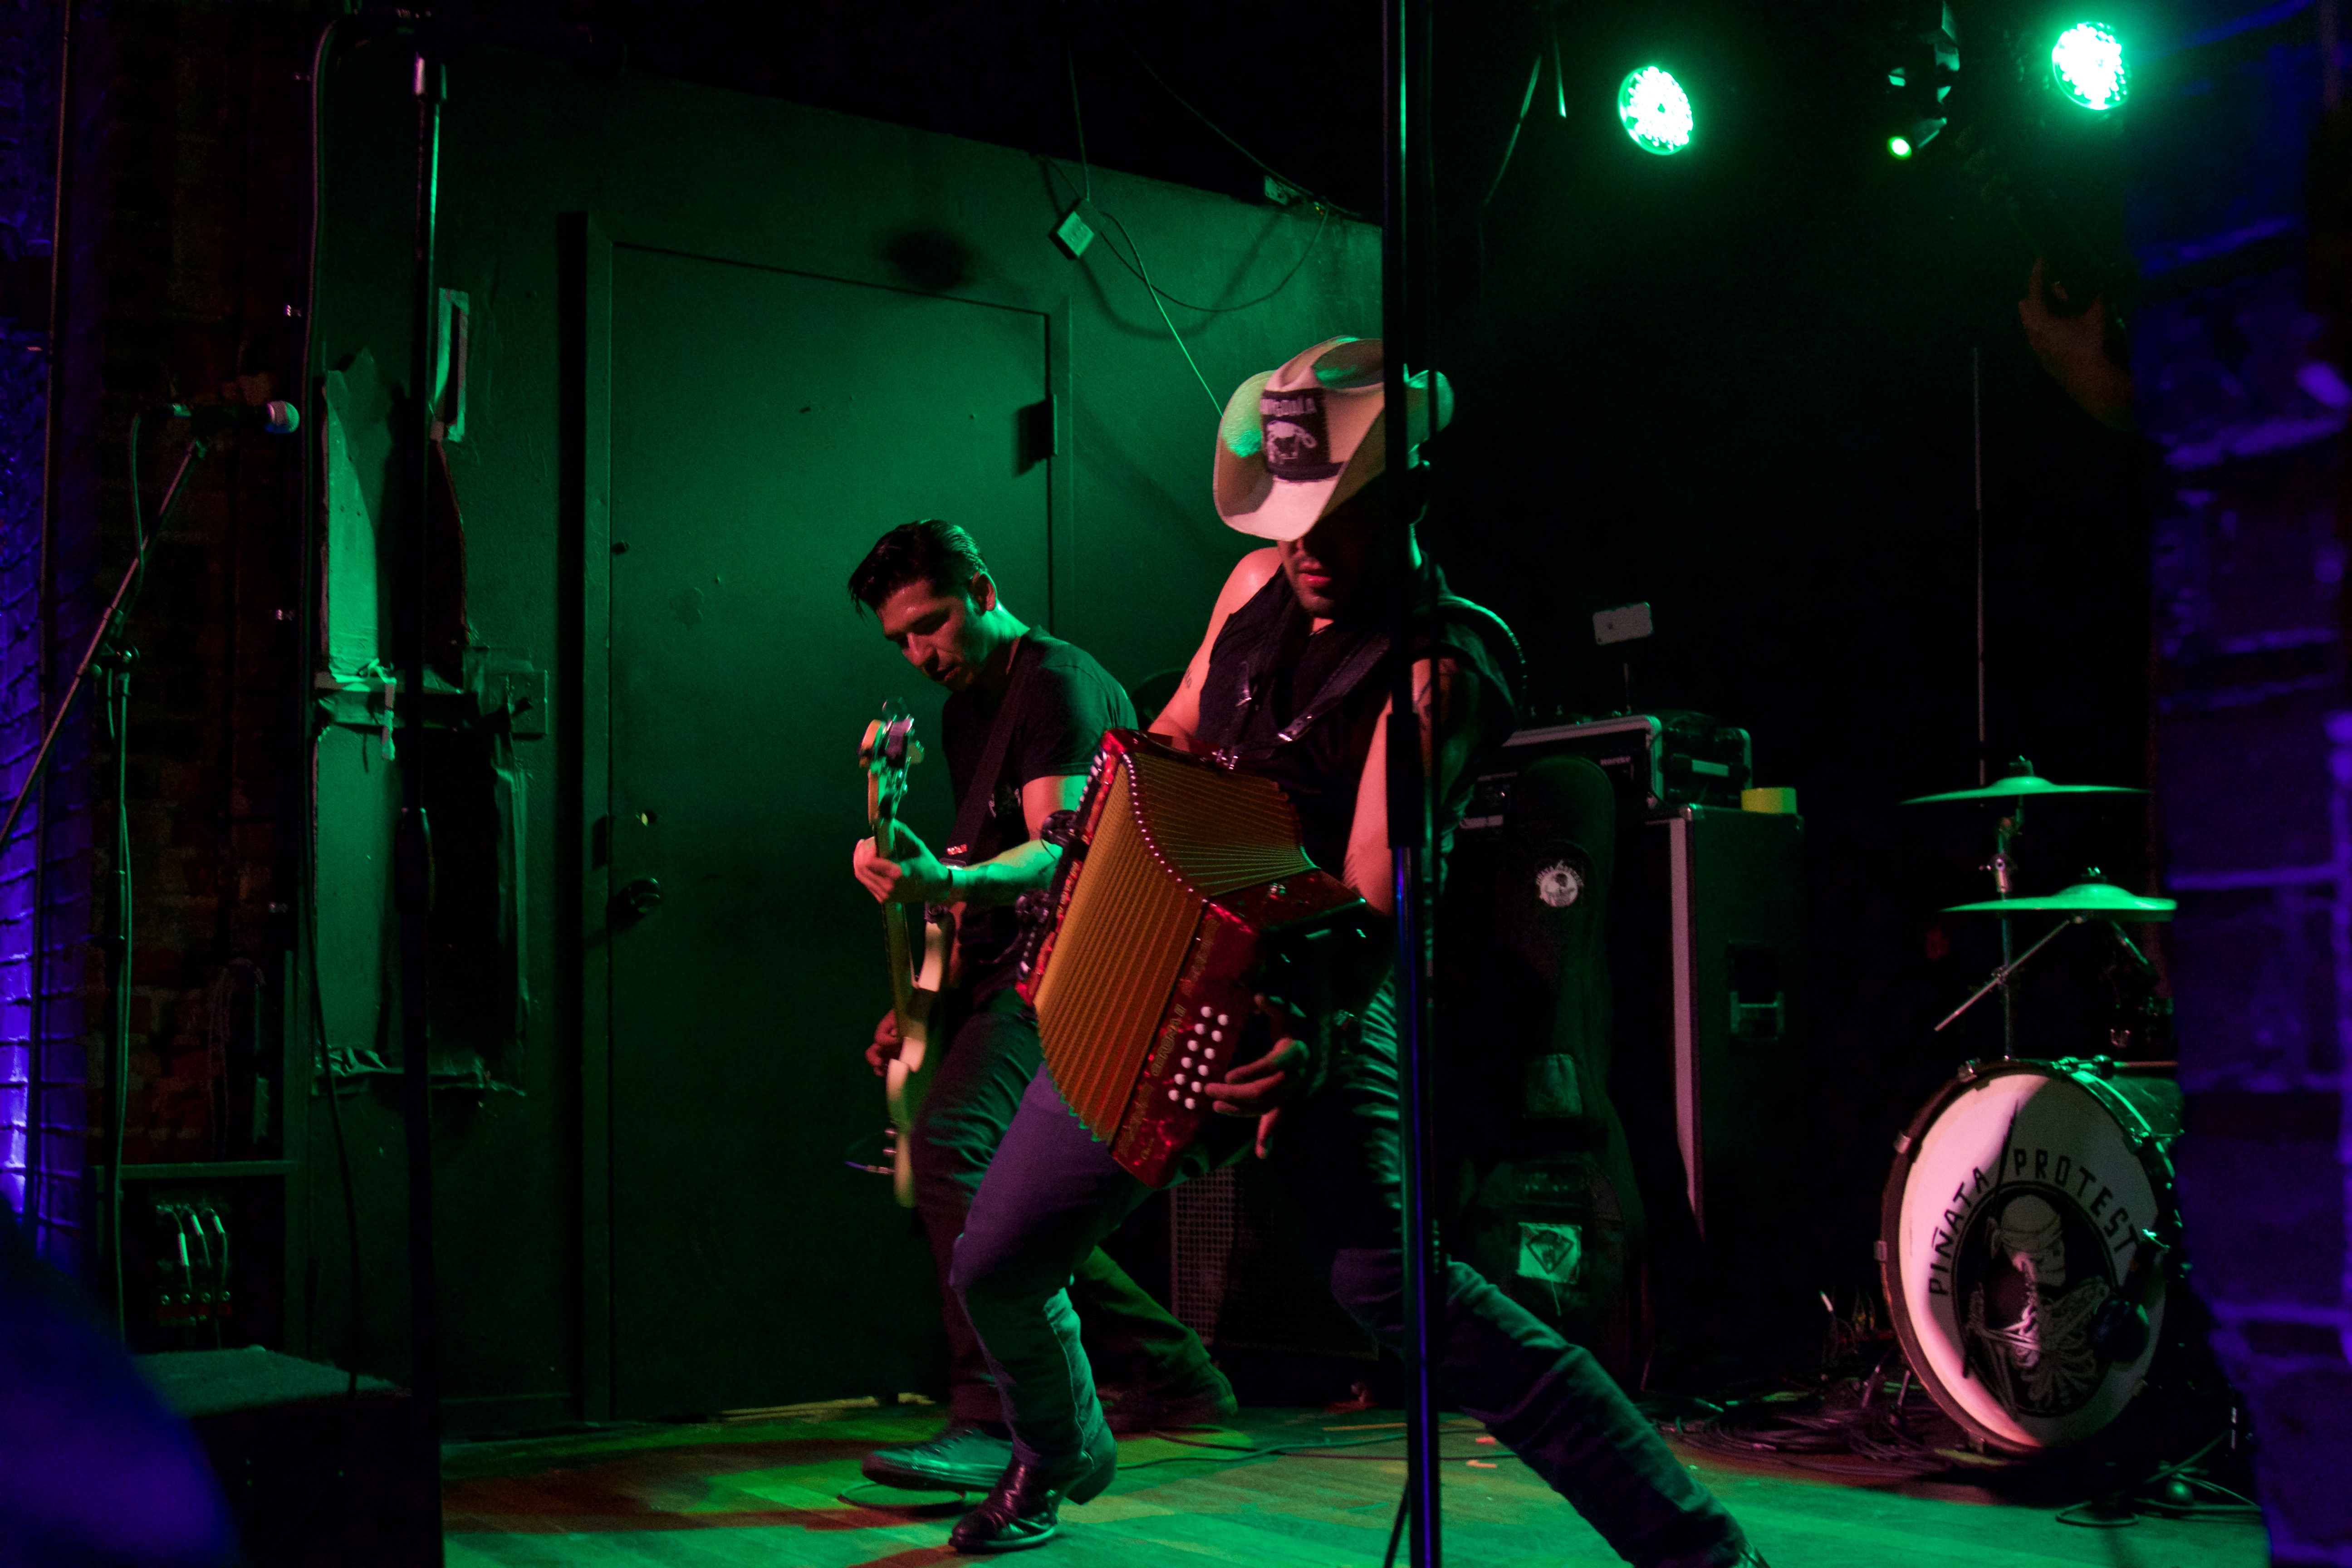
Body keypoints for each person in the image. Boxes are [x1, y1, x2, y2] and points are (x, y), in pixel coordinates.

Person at [940, 338, 1766, 1565]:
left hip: (1326, 993)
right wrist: (1092, 844)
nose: (1308, 551)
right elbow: (1171, 734)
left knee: (1406, 1299)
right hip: (1163, 976)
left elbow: (1374, 891)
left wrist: (1310, 1032)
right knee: (997, 1260)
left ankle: (1699, 1548)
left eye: (1340, 520)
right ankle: (1062, 1453)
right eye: (1289, 527)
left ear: (1415, 499)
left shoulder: (1442, 666)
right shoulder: (1249, 586)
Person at [846, 521, 1234, 1494]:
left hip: (1074, 967)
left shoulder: (1054, 683)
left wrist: (943, 884)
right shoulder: (965, 708)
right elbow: (982, 867)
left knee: (950, 1154)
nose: (919, 653)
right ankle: (1170, 1368)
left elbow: (1061, 857)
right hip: (1009, 967)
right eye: (900, 641)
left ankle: (993, 1417)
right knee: (997, 1201)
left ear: (982, 587)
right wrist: (921, 995)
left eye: (931, 625)